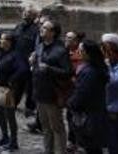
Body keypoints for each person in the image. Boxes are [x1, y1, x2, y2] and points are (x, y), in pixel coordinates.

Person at [32, 19, 73, 154]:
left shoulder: (60, 50)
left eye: (45, 28)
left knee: (57, 127)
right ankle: (48, 150)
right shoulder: (39, 46)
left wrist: (50, 69)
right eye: (42, 27)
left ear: (53, 33)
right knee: (45, 127)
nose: (41, 29)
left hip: (53, 94)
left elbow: (68, 72)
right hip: (40, 92)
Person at [68, 39, 110, 154]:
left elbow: (82, 93)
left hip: (90, 116)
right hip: (96, 113)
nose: (79, 52)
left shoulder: (89, 72)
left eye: (81, 50)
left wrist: (71, 103)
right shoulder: (96, 68)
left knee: (91, 147)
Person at [0, 31, 29, 152]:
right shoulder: (2, 53)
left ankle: (13, 141)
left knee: (9, 115)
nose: (0, 41)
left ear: (9, 42)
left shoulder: (16, 55)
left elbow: (23, 69)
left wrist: (11, 81)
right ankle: (4, 137)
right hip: (0, 89)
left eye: (2, 39)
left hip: (9, 90)